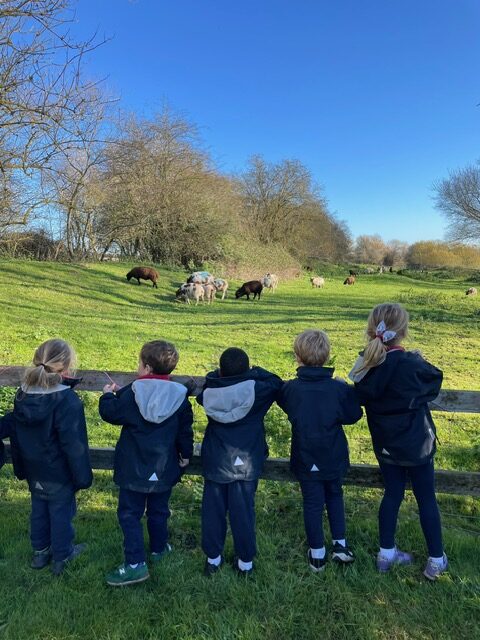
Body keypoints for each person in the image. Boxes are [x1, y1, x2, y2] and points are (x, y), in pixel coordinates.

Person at [349, 303, 447, 580]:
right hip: (417, 445)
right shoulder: (412, 364)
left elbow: (359, 391)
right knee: (426, 498)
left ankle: (386, 553)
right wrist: (418, 357)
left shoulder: (366, 364)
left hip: (385, 444)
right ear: (403, 331)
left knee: (392, 494)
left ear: (372, 329)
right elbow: (434, 380)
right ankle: (436, 560)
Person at [99, 340, 193, 586]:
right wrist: (185, 455)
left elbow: (111, 414)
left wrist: (108, 395)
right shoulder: (180, 396)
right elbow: (185, 431)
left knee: (130, 514)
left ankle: (134, 564)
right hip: (164, 468)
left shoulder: (132, 393)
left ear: (147, 367)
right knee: (159, 510)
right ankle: (159, 549)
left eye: (139, 363)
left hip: (134, 467)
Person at [1, 339, 92, 575]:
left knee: (39, 510)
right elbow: (74, 445)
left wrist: (21, 468)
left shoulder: (23, 394)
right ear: (67, 368)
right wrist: (82, 477)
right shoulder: (67, 400)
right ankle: (63, 555)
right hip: (59, 472)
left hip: (33, 469)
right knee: (61, 512)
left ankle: (40, 553)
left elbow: (18, 433)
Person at [278, 329, 362, 572]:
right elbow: (353, 415)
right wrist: (345, 390)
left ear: (298, 357)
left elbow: (286, 404)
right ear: (327, 356)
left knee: (312, 502)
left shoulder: (291, 389)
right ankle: (340, 546)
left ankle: (317, 554)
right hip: (333, 452)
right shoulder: (338, 389)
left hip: (305, 454)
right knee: (335, 495)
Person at [197, 348, 282, 577]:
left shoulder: (209, 392)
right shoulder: (259, 391)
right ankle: (245, 562)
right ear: (247, 370)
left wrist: (217, 376)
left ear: (221, 371)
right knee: (243, 511)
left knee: (213, 511)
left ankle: (213, 560)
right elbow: (276, 381)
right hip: (247, 460)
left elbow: (204, 387)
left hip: (216, 459)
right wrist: (253, 372)